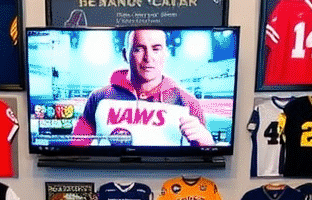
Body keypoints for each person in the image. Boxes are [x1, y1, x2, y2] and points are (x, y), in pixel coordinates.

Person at [72, 28, 214, 146]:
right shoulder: (99, 97)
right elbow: (76, 146)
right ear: (125, 55)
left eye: (156, 49)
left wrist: (207, 143)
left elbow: (204, 158)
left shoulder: (188, 102)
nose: (148, 57)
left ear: (166, 54)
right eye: (139, 49)